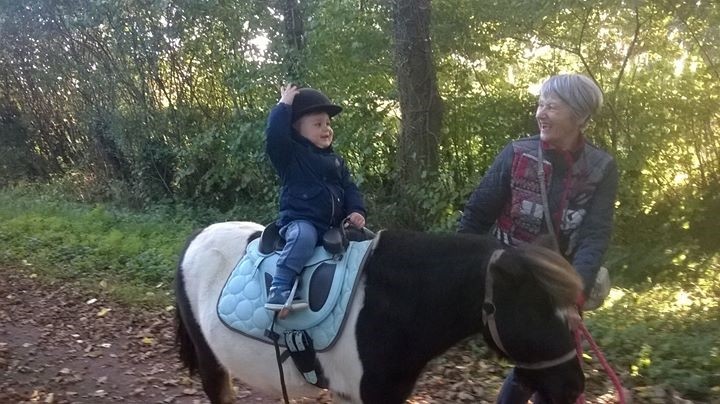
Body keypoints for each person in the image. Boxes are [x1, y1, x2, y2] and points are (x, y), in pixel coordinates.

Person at [457, 74, 619, 403]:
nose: (540, 113)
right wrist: (458, 269)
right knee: (541, 363)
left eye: (551, 106)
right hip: (512, 279)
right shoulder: (516, 154)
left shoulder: (602, 167)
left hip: (561, 284)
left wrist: (575, 295)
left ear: (580, 117)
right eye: (540, 104)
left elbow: (594, 235)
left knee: (547, 370)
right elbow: (477, 215)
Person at [264, 84, 366, 312]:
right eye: (318, 124)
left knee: (366, 242)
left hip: (333, 226)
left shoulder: (337, 162)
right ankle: (280, 287)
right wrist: (283, 107)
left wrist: (356, 211)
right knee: (303, 237)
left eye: (328, 124)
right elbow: (274, 137)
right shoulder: (291, 156)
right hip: (300, 221)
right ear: (296, 130)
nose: (326, 129)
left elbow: (349, 189)